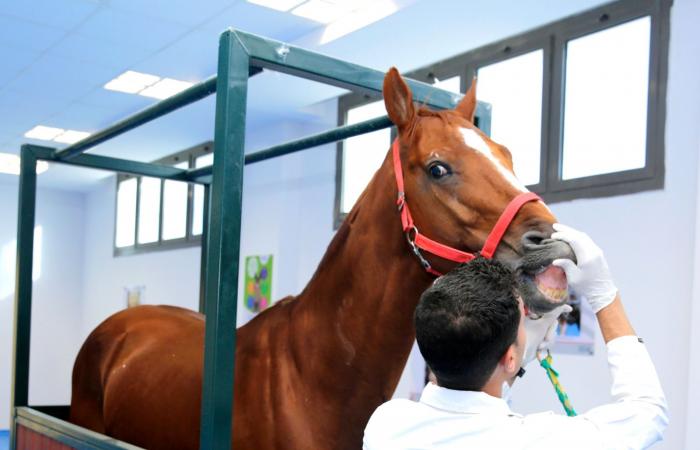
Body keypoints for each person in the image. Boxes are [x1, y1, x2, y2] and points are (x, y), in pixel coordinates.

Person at [363, 224, 668, 449]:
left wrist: (515, 360)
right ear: (509, 358)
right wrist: (604, 294)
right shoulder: (535, 440)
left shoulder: (386, 424)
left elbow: (476, 412)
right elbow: (647, 413)